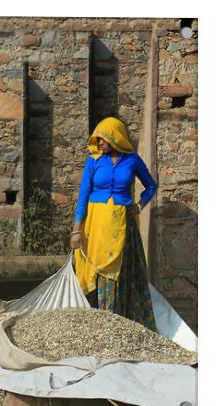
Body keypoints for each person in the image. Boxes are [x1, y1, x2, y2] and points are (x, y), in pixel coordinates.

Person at [70, 117, 158, 330]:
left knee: (122, 272)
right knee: (96, 269)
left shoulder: (132, 160)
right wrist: (76, 230)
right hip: (96, 224)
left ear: (117, 137)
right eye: (98, 138)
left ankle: (120, 324)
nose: (100, 142)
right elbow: (83, 196)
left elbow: (151, 186)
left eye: (105, 138)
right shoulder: (93, 161)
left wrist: (139, 206)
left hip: (123, 226)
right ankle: (95, 323)